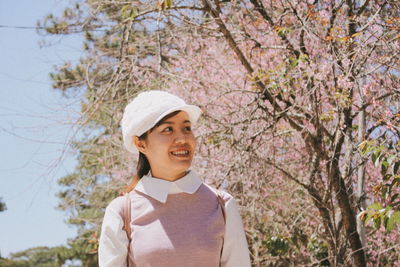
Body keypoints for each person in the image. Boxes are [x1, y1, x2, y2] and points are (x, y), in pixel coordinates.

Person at [98, 90, 251, 267]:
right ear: (141, 144)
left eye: (187, 128)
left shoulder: (222, 205)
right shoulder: (122, 212)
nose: (182, 138)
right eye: (168, 129)